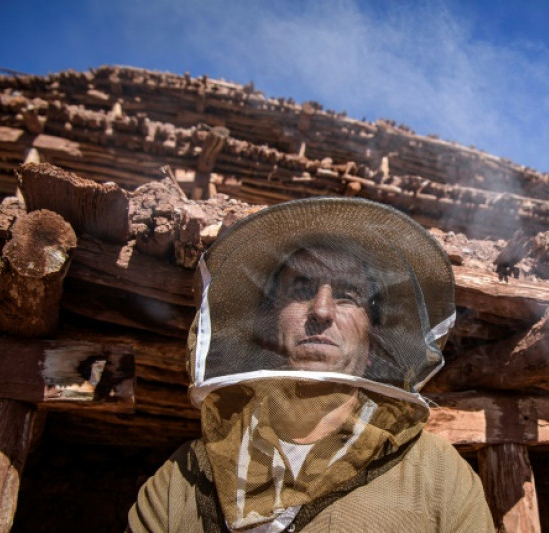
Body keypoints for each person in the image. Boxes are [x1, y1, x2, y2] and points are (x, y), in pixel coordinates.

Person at [128, 197, 494, 532]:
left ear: (372, 346)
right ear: (268, 325)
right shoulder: (182, 480)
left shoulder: (438, 474)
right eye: (302, 291)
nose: (321, 310)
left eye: (348, 295)